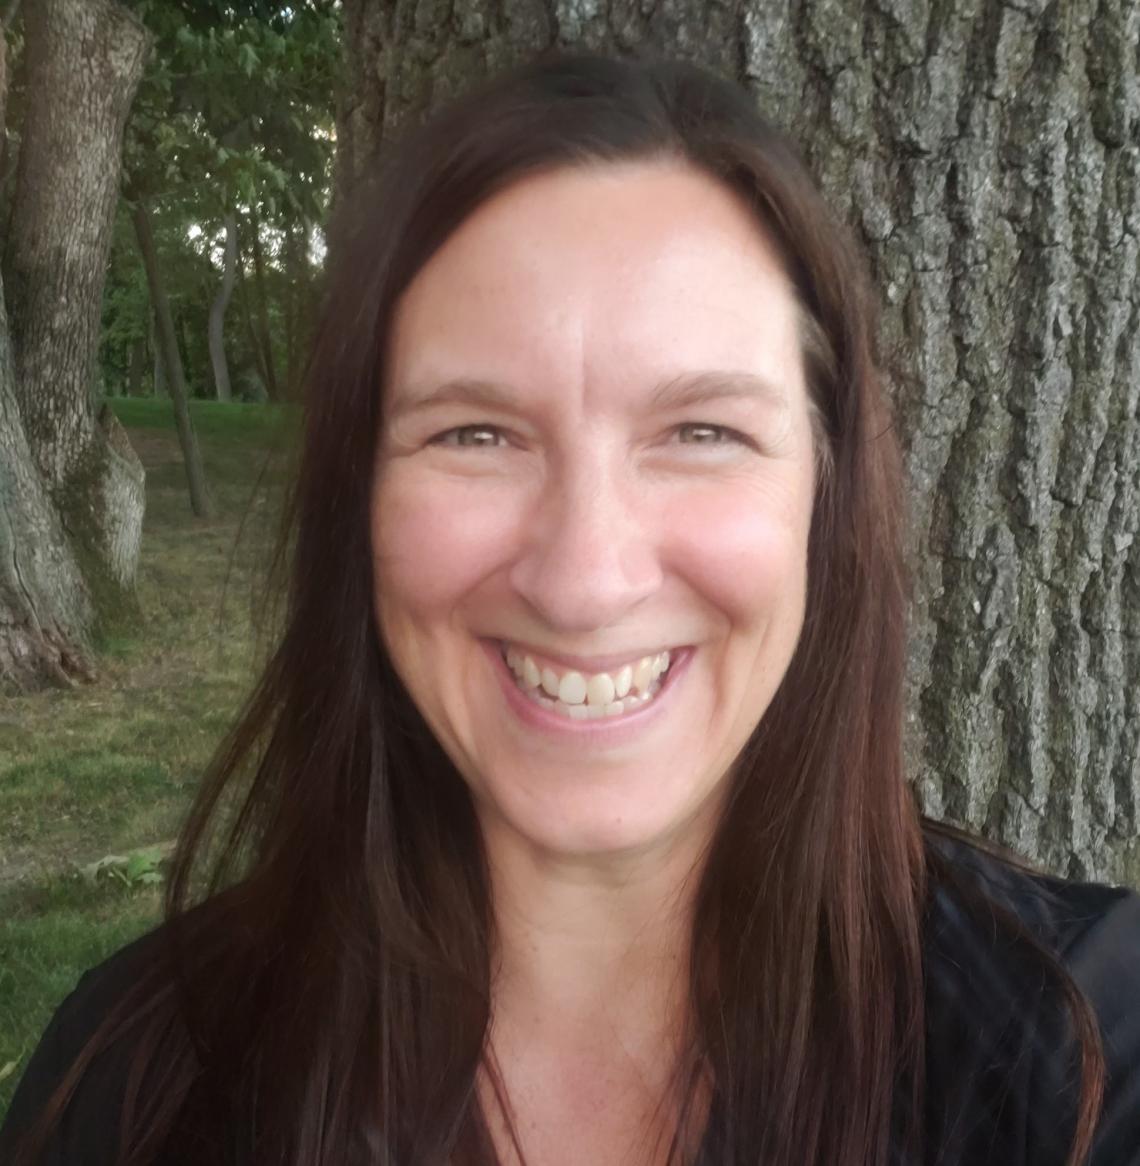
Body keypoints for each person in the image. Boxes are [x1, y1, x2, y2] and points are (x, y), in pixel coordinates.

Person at [1, 50, 1138, 1166]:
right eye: (476, 433)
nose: (585, 578)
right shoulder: (143, 1083)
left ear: (826, 498)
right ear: (362, 502)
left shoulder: (1084, 1052)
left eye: (702, 433)